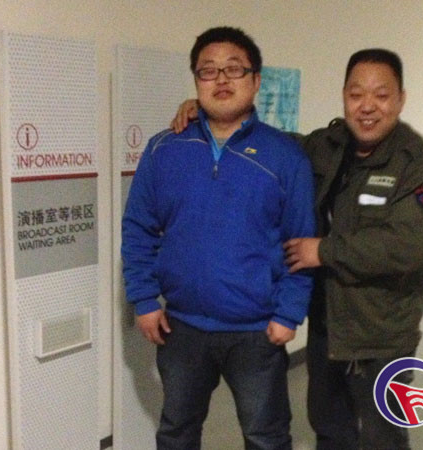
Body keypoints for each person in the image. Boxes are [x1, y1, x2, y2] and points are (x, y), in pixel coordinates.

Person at [171, 48, 423, 450]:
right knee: (329, 428)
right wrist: (214, 111)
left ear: (401, 99)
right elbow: (272, 145)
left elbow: (405, 246)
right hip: (327, 326)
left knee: (382, 436)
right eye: (356, 94)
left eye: (381, 95)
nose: (367, 106)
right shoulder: (326, 146)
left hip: (381, 337)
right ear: (344, 97)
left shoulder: (417, 167)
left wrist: (325, 251)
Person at [122, 26, 315, 450]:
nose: (221, 79)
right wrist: (144, 299)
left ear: (256, 80)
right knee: (177, 431)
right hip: (181, 327)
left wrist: (289, 313)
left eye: (234, 69)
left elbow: (301, 242)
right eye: (208, 70)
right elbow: (138, 228)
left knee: (266, 437)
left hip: (257, 331)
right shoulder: (163, 149)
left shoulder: (285, 157)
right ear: (196, 80)